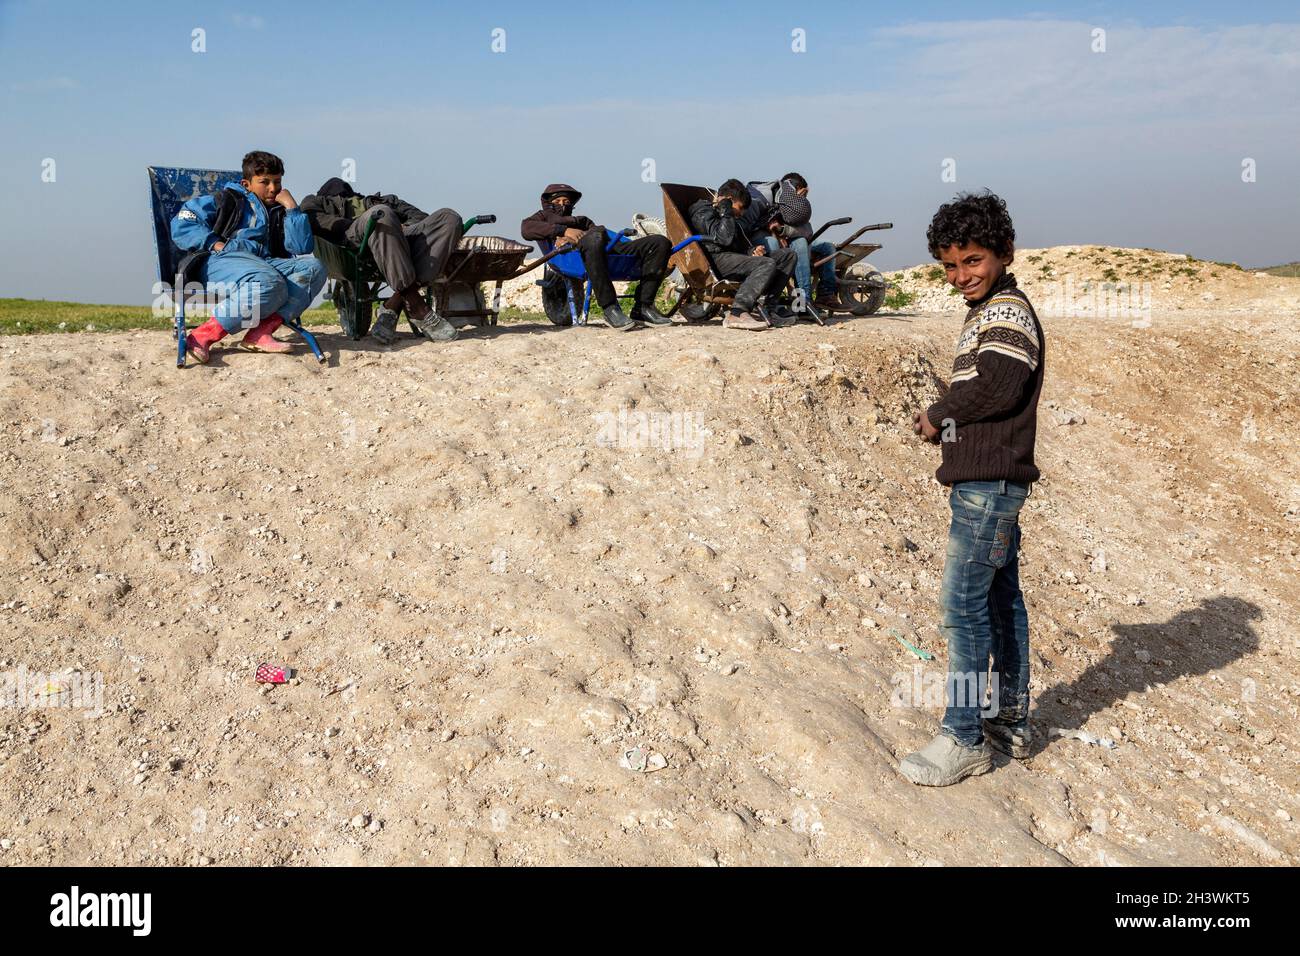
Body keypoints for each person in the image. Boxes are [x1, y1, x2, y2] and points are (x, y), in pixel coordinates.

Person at [899, 192, 1046, 787]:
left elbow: (1001, 386)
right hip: (991, 483)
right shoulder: (991, 309)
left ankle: (963, 737)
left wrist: (938, 414)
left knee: (961, 611)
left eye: (973, 261)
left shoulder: (1007, 312)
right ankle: (1008, 720)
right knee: (1000, 601)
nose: (962, 276)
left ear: (1005, 253)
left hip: (987, 488)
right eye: (950, 266)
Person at [171, 150, 326, 363]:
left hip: (263, 265)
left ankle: (260, 333)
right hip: (221, 262)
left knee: (314, 268)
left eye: (277, 182)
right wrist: (214, 244)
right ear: (247, 184)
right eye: (265, 182)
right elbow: (183, 221)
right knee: (268, 281)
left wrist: (292, 209)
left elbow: (301, 247)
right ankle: (202, 336)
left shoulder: (281, 210)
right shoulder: (228, 200)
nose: (273, 189)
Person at [300, 179, 460, 345]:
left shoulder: (383, 200)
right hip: (354, 237)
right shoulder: (316, 201)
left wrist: (402, 226)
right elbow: (314, 220)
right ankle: (418, 307)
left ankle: (393, 304)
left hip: (397, 238)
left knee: (449, 218)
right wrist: (366, 223)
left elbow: (420, 217)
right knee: (380, 215)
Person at [520, 183, 673, 330]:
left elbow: (597, 232)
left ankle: (643, 307)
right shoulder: (542, 217)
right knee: (593, 239)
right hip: (573, 256)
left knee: (660, 243)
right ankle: (610, 308)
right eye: (557, 201)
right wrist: (564, 231)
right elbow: (526, 229)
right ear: (548, 203)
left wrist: (587, 232)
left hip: (606, 247)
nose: (563, 205)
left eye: (566, 202)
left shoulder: (582, 220)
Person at [687, 179, 797, 330]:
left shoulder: (727, 215)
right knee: (766, 263)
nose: (741, 214)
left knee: (788, 255)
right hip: (715, 259)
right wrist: (726, 209)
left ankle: (770, 308)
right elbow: (723, 239)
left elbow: (736, 240)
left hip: (732, 257)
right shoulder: (702, 210)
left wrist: (751, 251)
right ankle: (737, 313)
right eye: (739, 208)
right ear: (728, 200)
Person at [747, 173, 840, 314]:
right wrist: (774, 234)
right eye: (802, 195)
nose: (803, 199)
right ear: (796, 189)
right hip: (762, 238)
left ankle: (809, 300)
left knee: (820, 246)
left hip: (789, 240)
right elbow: (750, 225)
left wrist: (782, 230)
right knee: (773, 244)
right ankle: (770, 300)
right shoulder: (767, 196)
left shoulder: (796, 207)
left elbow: (807, 231)